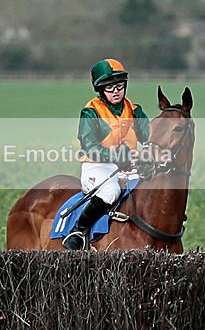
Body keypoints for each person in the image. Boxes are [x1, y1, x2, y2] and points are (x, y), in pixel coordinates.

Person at [62, 58, 150, 250]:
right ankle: (78, 231)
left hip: (129, 167)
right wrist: (117, 158)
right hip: (98, 166)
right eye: (110, 88)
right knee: (111, 192)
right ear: (101, 89)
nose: (116, 91)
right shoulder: (90, 112)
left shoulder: (135, 110)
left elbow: (150, 136)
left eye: (119, 86)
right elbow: (89, 145)